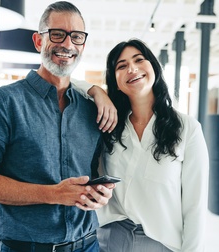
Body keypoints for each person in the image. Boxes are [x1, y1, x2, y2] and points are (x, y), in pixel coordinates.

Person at [0, 2, 117, 252]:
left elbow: (93, 172)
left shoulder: (90, 108)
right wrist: (54, 194)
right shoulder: (5, 101)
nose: (67, 44)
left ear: (83, 44)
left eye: (76, 36)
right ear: (38, 41)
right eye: (57, 34)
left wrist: (99, 193)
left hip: (88, 244)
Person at [86, 39, 209, 252]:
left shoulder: (187, 127)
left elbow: (195, 205)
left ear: (154, 67)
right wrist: (96, 90)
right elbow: (70, 85)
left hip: (161, 241)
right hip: (111, 237)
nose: (132, 69)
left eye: (139, 60)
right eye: (121, 66)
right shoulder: (110, 125)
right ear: (115, 81)